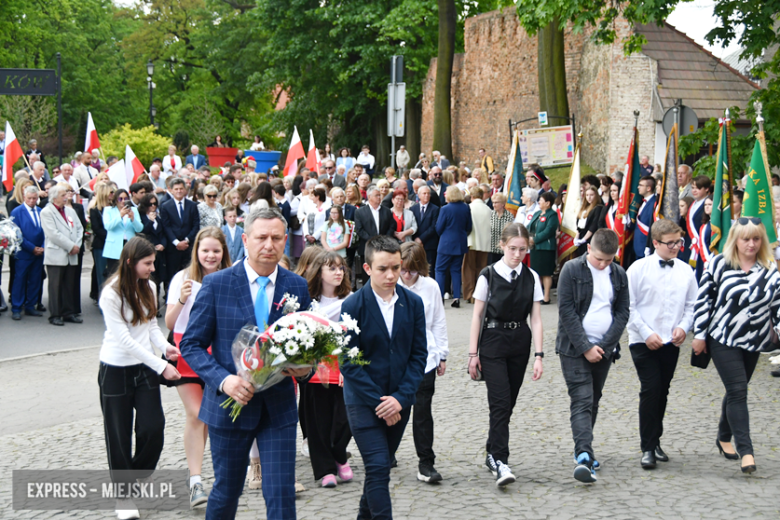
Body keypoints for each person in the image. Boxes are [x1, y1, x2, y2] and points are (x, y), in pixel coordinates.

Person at [179, 207, 313, 520]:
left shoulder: (297, 287)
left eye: (276, 238)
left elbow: (309, 346)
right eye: (261, 237)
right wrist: (224, 380)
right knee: (227, 490)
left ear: (284, 242)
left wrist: (305, 368)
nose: (269, 244)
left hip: (278, 408)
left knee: (281, 493)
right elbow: (191, 344)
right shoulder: (217, 284)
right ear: (245, 239)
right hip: (229, 406)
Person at [339, 235, 427, 520]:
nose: (391, 275)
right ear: (367, 269)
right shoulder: (353, 306)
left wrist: (400, 399)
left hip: (400, 403)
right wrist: (381, 402)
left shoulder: (413, 304)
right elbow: (349, 362)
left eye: (396, 267)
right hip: (363, 402)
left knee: (379, 468)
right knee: (378, 467)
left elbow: (418, 356)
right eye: (382, 269)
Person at [98, 237, 181, 520]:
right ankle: (123, 497)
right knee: (118, 435)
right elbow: (123, 340)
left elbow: (150, 325)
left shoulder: (148, 285)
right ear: (131, 263)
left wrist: (165, 347)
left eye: (153, 263)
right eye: (147, 263)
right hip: (115, 369)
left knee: (153, 428)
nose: (152, 268)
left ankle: (131, 477)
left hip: (145, 368)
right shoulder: (110, 294)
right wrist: (161, 365)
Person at [692, 218, 780, 475]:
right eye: (745, 239)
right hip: (723, 337)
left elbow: (777, 306)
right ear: (735, 240)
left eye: (756, 238)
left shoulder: (770, 268)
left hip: (755, 340)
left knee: (736, 390)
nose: (751, 244)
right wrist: (699, 334)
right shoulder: (719, 263)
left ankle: (722, 435)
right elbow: (704, 299)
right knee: (738, 390)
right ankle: (747, 451)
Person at [467, 223, 544, 486]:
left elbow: (536, 317)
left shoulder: (532, 277)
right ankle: (500, 460)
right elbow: (477, 315)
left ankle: (491, 451)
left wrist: (539, 355)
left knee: (507, 403)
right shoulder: (487, 275)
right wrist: (472, 353)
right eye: (512, 249)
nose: (517, 254)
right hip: (493, 342)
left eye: (523, 249)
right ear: (502, 246)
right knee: (499, 402)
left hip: (520, 342)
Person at [556, 229, 630, 483]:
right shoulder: (571, 270)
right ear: (589, 248)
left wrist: (605, 346)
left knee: (593, 399)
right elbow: (566, 311)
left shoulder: (619, 274)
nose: (604, 264)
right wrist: (585, 346)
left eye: (609, 260)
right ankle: (584, 455)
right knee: (582, 399)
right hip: (573, 348)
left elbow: (622, 311)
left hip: (604, 349)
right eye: (599, 259)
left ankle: (584, 447)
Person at [166, 227, 232, 508]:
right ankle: (195, 481)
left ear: (223, 253)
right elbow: (169, 323)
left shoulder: (231, 278)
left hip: (219, 352)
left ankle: (225, 476)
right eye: (205, 250)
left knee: (217, 416)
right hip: (188, 351)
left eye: (216, 250)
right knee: (196, 414)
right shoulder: (182, 278)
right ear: (196, 251)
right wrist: (182, 298)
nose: (210, 255)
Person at [627, 220, 697, 469]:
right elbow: (629, 306)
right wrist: (646, 333)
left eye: (679, 242)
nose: (677, 247)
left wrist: (684, 327)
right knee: (651, 388)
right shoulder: (637, 269)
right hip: (642, 340)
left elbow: (691, 306)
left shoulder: (686, 271)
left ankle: (655, 440)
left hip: (671, 341)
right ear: (655, 243)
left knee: (663, 390)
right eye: (671, 243)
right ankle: (647, 447)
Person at [301, 251, 354, 488]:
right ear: (319, 272)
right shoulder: (308, 301)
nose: (338, 272)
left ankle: (339, 454)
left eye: (341, 267)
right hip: (316, 369)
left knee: (345, 419)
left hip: (345, 367)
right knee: (319, 421)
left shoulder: (352, 299)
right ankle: (325, 470)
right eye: (332, 268)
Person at [397, 242, 448, 483]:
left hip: (424, 358)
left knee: (423, 412)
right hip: (394, 358)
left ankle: (426, 462)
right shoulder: (389, 284)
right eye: (403, 270)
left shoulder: (430, 287)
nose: (407, 276)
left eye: (412, 271)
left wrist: (442, 354)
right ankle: (386, 452)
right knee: (394, 408)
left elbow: (438, 320)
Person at [41, 184, 84, 326]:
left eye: (66, 194)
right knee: (55, 286)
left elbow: (79, 228)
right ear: (54, 198)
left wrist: (76, 245)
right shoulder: (47, 212)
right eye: (63, 195)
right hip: (56, 254)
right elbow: (53, 234)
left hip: (71, 254)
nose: (66, 197)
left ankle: (68, 312)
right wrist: (70, 246)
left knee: (69, 285)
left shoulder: (70, 211)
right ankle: (55, 314)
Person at [10, 186, 45, 320]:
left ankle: (31, 305)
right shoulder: (17, 212)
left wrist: (42, 247)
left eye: (34, 198)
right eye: (29, 198)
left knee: (35, 280)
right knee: (20, 280)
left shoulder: (41, 211)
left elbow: (46, 231)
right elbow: (16, 234)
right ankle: (17, 308)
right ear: (24, 197)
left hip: (39, 253)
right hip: (24, 253)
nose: (31, 201)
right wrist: (32, 248)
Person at [435, 186, 472, 308]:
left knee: (440, 270)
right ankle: (456, 297)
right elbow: (469, 227)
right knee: (456, 270)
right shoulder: (466, 208)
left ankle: (440, 297)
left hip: (446, 243)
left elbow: (439, 228)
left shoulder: (445, 209)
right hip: (460, 243)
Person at [161, 177, 201, 289]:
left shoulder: (192, 205)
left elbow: (195, 225)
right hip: (173, 248)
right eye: (176, 189)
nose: (179, 191)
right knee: (172, 275)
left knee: (189, 273)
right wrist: (176, 242)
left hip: (189, 246)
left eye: (181, 188)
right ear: (171, 190)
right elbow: (166, 226)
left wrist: (187, 240)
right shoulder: (165, 206)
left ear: (185, 190)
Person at [354, 186, 395, 285]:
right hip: (367, 247)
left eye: (379, 195)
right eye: (376, 195)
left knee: (382, 270)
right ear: (369, 197)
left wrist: (383, 240)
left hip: (384, 247)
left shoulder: (387, 211)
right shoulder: (360, 211)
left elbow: (391, 226)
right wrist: (373, 241)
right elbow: (359, 229)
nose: (379, 197)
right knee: (367, 274)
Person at [103, 189, 144, 277]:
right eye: (120, 199)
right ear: (115, 200)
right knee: (114, 273)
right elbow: (108, 226)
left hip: (129, 244)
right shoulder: (108, 210)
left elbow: (139, 228)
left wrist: (133, 219)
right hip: (114, 246)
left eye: (125, 198)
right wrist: (120, 216)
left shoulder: (134, 210)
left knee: (129, 272)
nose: (123, 201)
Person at [528, 192, 559, 304]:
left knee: (546, 272)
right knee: (536, 273)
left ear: (547, 203)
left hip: (546, 247)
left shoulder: (552, 215)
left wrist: (535, 239)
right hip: (535, 248)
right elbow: (529, 226)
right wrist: (528, 236)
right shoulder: (537, 214)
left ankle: (546, 296)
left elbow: (549, 231)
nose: (539, 202)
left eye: (541, 200)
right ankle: (538, 295)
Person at [462, 186, 492, 303]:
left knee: (468, 269)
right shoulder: (488, 209)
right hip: (485, 243)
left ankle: (470, 294)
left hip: (471, 242)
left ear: (472, 196)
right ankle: (480, 294)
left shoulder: (468, 208)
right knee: (482, 269)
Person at [411, 186, 439, 271]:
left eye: (428, 193)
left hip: (429, 244)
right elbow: (412, 224)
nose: (426, 195)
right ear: (419, 195)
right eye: (424, 193)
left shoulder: (435, 209)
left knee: (429, 269)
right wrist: (416, 239)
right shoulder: (413, 209)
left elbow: (434, 226)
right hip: (416, 244)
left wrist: (421, 239)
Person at [574, 186, 602, 255]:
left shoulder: (598, 208)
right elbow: (579, 226)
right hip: (581, 238)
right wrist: (576, 238)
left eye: (591, 195)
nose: (589, 197)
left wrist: (584, 239)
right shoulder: (584, 208)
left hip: (589, 239)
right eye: (587, 195)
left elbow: (593, 226)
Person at [489, 193, 513, 265]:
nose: (494, 205)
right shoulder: (491, 214)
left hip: (503, 250)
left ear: (502, 204)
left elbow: (510, 232)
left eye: (496, 203)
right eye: (493, 202)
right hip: (491, 249)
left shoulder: (509, 216)